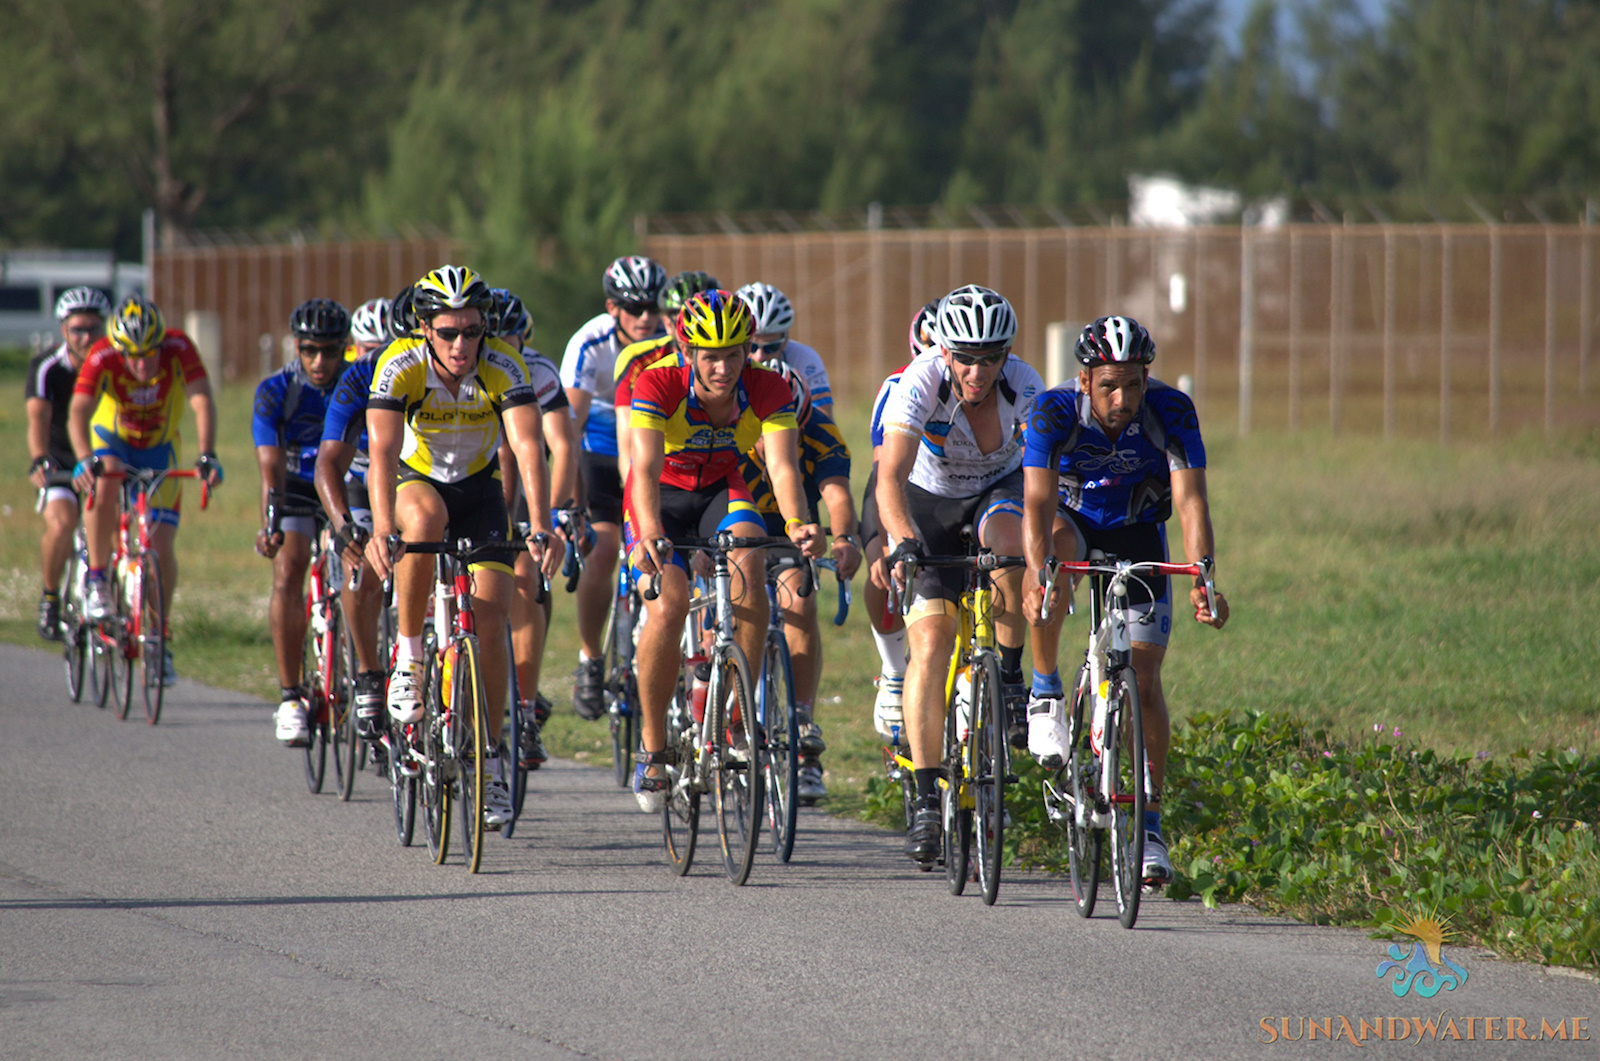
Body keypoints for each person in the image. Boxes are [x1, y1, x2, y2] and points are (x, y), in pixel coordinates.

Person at [1020, 314, 1229, 887]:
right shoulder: (1052, 411)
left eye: (1134, 384)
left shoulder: (1171, 410)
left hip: (1138, 530)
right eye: (1110, 385)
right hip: (1072, 522)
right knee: (1055, 567)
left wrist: (1204, 578)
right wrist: (1038, 574)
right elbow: (1036, 503)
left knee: (1145, 679)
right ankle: (1045, 691)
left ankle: (1149, 826)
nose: (1123, 399)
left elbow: (1191, 501)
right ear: (1085, 379)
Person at [363, 266, 559, 829]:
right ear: (425, 328)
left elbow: (527, 445)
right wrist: (382, 527)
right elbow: (382, 450)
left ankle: (489, 759)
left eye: (472, 331)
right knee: (424, 519)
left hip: (479, 490)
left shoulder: (502, 364)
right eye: (447, 332)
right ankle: (410, 657)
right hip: (418, 480)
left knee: (492, 619)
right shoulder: (400, 363)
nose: (460, 344)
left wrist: (540, 524)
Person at [624, 289, 821, 812]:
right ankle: (653, 749)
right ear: (687, 351)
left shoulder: (768, 386)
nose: (723, 368)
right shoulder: (657, 382)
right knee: (668, 605)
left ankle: (735, 716)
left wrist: (797, 522)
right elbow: (643, 468)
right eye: (710, 356)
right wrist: (648, 531)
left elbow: (782, 466)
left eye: (734, 354)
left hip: (720, 488)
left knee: (751, 563)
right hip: (659, 495)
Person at [875, 285, 1041, 865]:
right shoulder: (920, 380)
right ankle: (926, 797)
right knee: (931, 642)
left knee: (1010, 549)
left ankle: (1011, 679)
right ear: (944, 352)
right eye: (965, 358)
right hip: (929, 501)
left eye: (990, 358)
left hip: (999, 490)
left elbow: (1043, 472)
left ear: (1006, 354)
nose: (977, 370)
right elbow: (889, 477)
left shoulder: (1024, 383)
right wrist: (902, 542)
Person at [69, 295, 223, 682]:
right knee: (106, 477)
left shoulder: (179, 347)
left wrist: (207, 454)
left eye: (150, 354)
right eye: (133, 357)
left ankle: (157, 638)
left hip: (159, 448)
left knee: (161, 547)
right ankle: (98, 579)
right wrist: (85, 457)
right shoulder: (102, 354)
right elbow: (79, 411)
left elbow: (201, 399)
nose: (142, 365)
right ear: (119, 350)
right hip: (113, 441)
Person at [736, 360, 860, 802]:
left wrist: (844, 538)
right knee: (723, 610)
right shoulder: (730, 427)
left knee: (800, 603)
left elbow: (837, 494)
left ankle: (802, 717)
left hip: (794, 532)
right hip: (737, 528)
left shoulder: (822, 431)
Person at [560, 256, 668, 722]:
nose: (646, 317)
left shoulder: (671, 339)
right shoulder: (589, 343)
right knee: (603, 551)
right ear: (612, 308)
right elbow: (569, 430)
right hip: (600, 453)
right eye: (634, 307)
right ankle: (590, 658)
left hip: (651, 450)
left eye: (653, 307)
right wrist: (573, 505)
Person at [256, 299, 352, 746]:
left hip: (345, 484)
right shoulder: (276, 390)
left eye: (330, 351)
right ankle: (291, 697)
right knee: (290, 568)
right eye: (310, 350)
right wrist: (270, 522)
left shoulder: (358, 383)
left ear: (344, 348)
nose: (320, 361)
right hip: (295, 485)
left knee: (359, 570)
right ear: (297, 346)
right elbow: (270, 467)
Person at [492, 288, 580, 771]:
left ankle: (524, 712)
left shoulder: (539, 371)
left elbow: (561, 446)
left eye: (511, 338)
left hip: (529, 480)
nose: (502, 347)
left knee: (528, 580)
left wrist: (555, 512)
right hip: (477, 475)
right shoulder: (468, 367)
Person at [313, 297, 394, 748]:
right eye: (368, 348)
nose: (377, 356)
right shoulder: (357, 376)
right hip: (362, 480)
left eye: (386, 346)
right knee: (360, 569)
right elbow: (328, 464)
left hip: (413, 481)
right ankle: (368, 671)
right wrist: (344, 528)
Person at [862, 301, 940, 741]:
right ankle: (894, 670)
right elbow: (883, 473)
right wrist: (888, 540)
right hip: (901, 484)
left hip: (961, 492)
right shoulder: (899, 385)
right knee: (881, 569)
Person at [27, 286, 112, 640]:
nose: (86, 337)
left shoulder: (115, 363)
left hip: (105, 460)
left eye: (94, 329)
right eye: (78, 329)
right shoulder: (47, 367)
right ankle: (50, 598)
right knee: (62, 525)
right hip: (61, 461)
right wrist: (39, 460)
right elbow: (38, 420)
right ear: (64, 329)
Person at [613, 269, 718, 484]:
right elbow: (629, 444)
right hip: (662, 469)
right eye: (685, 318)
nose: (696, 326)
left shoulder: (735, 362)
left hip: (717, 467)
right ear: (668, 323)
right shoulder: (637, 359)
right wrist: (633, 492)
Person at [734, 282, 834, 415]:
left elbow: (824, 418)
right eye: (751, 347)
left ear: (785, 341)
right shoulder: (722, 364)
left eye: (771, 347)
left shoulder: (804, 358)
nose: (759, 356)